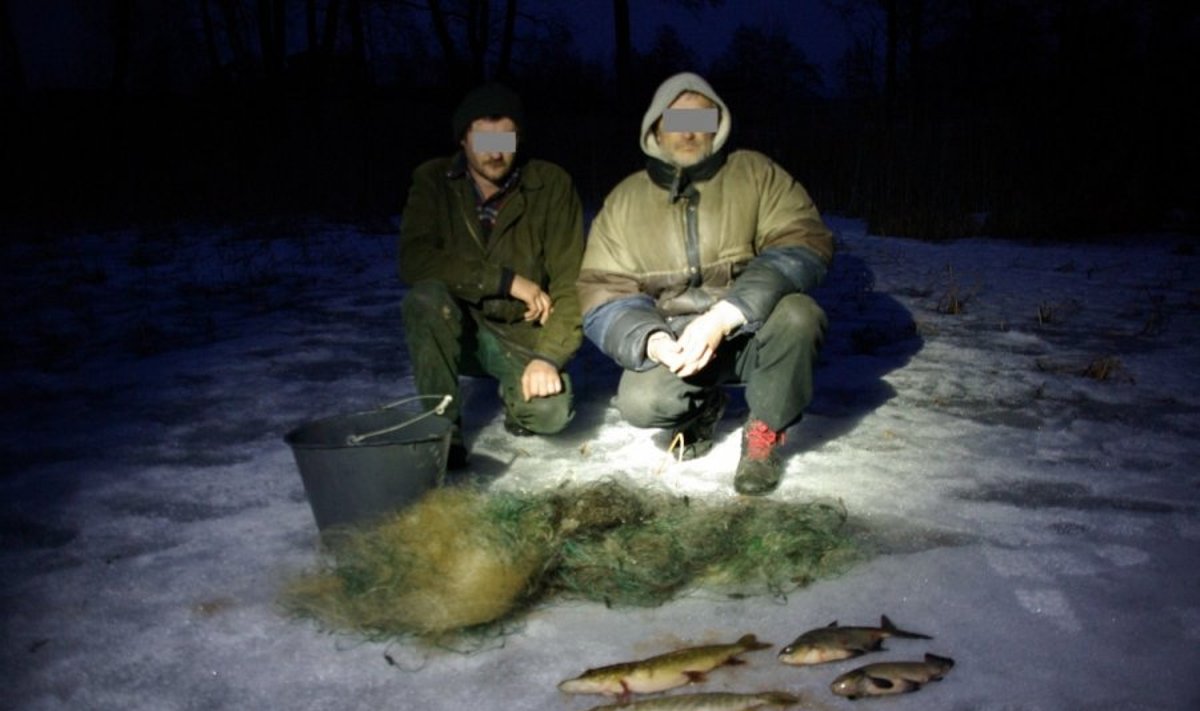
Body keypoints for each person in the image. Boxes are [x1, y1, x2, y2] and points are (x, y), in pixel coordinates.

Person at [577, 72, 834, 495]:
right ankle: (703, 405)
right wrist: (653, 341)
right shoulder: (624, 200)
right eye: (676, 120)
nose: (690, 131)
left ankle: (765, 431)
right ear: (655, 127)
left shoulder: (754, 172)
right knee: (640, 403)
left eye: (703, 119)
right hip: (679, 344)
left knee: (800, 315)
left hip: (753, 331)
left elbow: (804, 241)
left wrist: (725, 316)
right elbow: (602, 291)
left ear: (719, 125)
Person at [399, 82, 584, 468]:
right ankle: (442, 433)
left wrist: (547, 357)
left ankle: (516, 397)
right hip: (456, 326)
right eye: (483, 139)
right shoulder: (433, 181)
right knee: (425, 299)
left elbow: (572, 281)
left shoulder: (551, 184)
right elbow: (415, 260)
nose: (496, 152)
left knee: (551, 415)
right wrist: (507, 281)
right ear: (463, 139)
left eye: (507, 139)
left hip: (520, 331)